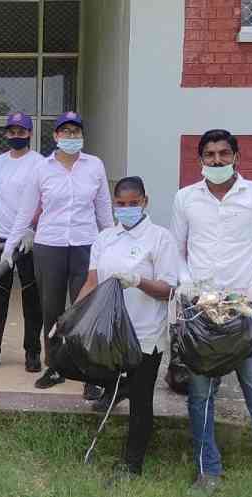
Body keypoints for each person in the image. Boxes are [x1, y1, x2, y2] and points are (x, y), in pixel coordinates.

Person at [171, 129, 252, 497]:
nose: (217, 161)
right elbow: (176, 248)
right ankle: (209, 473)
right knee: (200, 399)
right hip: (202, 315)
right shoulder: (186, 198)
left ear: (236, 156)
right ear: (200, 160)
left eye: (224, 153)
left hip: (244, 313)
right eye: (210, 155)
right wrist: (188, 283)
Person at [72, 176, 178, 481]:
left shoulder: (160, 239)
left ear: (145, 201)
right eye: (121, 204)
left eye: (134, 203)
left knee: (141, 401)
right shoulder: (105, 238)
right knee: (94, 374)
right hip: (109, 332)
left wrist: (138, 281)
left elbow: (169, 289)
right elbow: (91, 283)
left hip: (144, 334)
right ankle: (119, 392)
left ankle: (132, 464)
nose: (127, 208)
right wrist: (72, 317)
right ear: (114, 205)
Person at [3, 111, 114, 395]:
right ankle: (54, 367)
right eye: (65, 132)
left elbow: (103, 210)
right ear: (55, 136)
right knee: (51, 309)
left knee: (85, 309)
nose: (70, 137)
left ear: (82, 136)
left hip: (85, 246)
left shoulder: (95, 166)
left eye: (75, 132)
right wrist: (9, 245)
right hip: (49, 246)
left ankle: (89, 373)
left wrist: (112, 245)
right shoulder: (42, 168)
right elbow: (26, 211)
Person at [0, 112, 43, 373]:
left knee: (31, 297)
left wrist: (32, 229)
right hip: (0, 239)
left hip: (26, 239)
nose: (16, 136)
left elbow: (43, 200)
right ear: (6, 134)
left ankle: (32, 352)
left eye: (21, 132)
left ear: (30, 134)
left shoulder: (39, 163)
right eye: (12, 132)